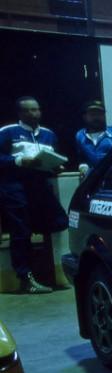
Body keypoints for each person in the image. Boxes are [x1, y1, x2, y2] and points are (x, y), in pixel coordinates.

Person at [0, 97, 69, 293]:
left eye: (36, 109)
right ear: (20, 113)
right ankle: (25, 278)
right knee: (21, 231)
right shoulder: (7, 132)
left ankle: (52, 271)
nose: (33, 113)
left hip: (39, 186)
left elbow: (51, 158)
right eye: (28, 110)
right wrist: (19, 161)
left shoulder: (49, 134)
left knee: (59, 221)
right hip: (14, 186)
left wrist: (56, 168)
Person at [75, 100, 112, 176]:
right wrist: (82, 165)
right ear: (85, 117)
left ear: (104, 116)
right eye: (92, 114)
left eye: (99, 114)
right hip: (92, 181)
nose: (96, 117)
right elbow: (81, 158)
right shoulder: (80, 135)